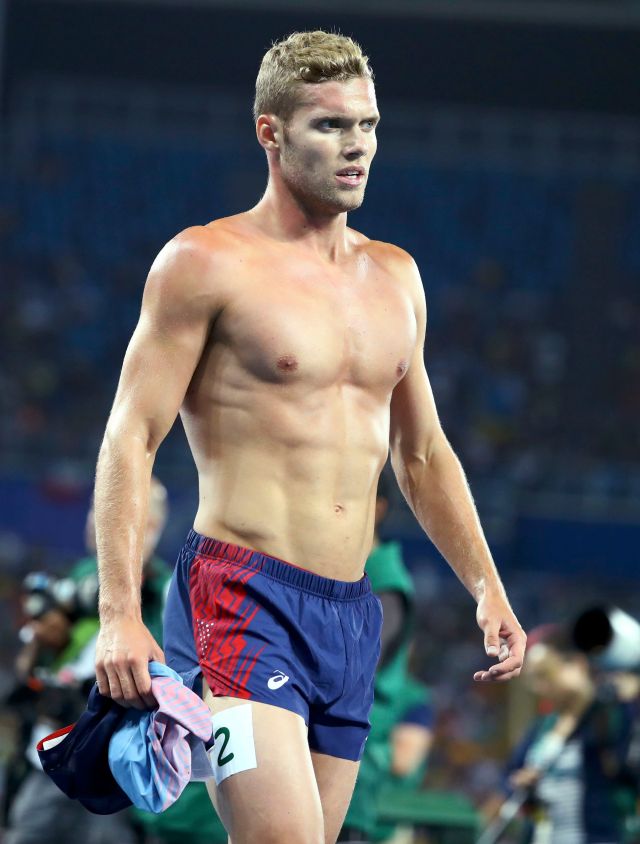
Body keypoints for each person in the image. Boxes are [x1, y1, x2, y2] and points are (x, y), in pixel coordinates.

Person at [93, 30, 526, 844]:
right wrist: (119, 610)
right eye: (330, 126)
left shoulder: (396, 276)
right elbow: (130, 437)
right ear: (271, 131)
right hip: (240, 594)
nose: (356, 146)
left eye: (367, 125)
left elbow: (424, 453)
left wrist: (486, 585)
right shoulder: (205, 261)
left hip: (349, 617)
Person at [500, 625, 636, 844]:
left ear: (576, 664)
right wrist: (522, 786)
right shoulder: (542, 728)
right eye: (534, 679)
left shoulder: (611, 716)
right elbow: (510, 779)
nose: (539, 687)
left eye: (545, 675)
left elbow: (626, 772)